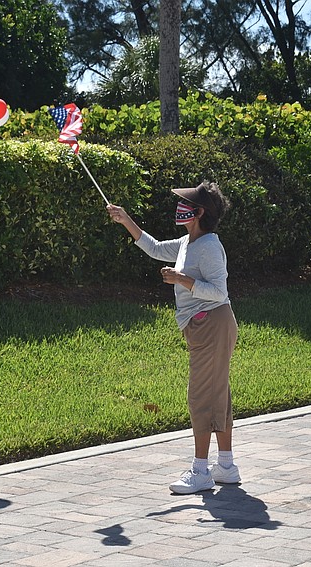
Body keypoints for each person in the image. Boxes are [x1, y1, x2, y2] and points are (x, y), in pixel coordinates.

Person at [107, 181, 240, 494]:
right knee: (217, 393)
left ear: (200, 212)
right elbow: (153, 248)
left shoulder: (208, 246)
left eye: (187, 203)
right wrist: (125, 219)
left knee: (200, 397)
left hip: (212, 324)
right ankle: (226, 466)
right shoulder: (187, 242)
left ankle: (200, 471)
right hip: (206, 326)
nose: (180, 206)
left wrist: (182, 279)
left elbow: (219, 291)